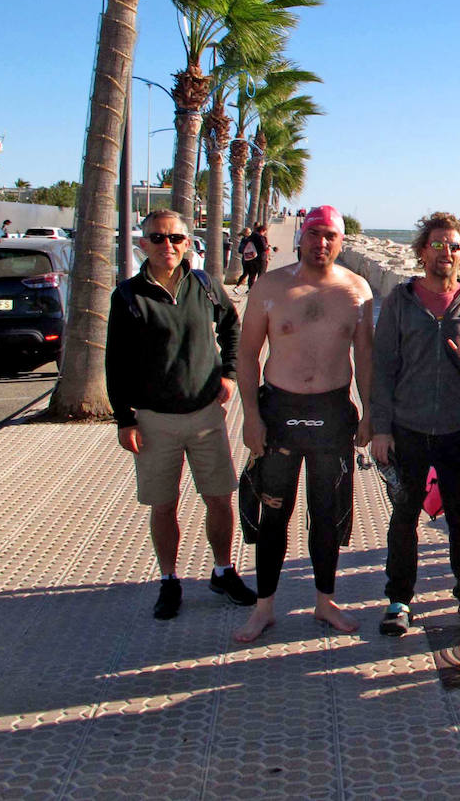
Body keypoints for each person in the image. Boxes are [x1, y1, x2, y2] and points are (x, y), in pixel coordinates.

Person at [232, 205, 374, 642]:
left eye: (330, 235)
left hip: (332, 413)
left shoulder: (357, 290)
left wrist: (370, 412)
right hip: (280, 411)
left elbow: (365, 357)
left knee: (327, 513)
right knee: (273, 512)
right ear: (301, 237)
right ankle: (264, 608)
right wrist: (251, 416)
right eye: (314, 234)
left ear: (341, 242)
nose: (321, 242)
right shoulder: (272, 286)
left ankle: (325, 602)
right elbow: (247, 354)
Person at [106, 209, 254, 620]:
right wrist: (124, 418)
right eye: (157, 238)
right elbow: (115, 362)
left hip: (206, 415)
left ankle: (223, 571)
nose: (167, 245)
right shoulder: (128, 296)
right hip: (154, 420)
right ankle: (169, 580)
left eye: (175, 238)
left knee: (219, 498)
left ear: (188, 243)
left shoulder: (205, 285)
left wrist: (228, 374)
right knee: (163, 504)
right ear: (143, 244)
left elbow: (232, 327)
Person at [371, 212, 460, 636]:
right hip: (407, 426)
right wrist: (381, 428)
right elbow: (383, 368)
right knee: (405, 516)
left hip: (459, 427)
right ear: (423, 251)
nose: (447, 252)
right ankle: (398, 601)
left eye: (454, 246)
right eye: (438, 244)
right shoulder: (400, 301)